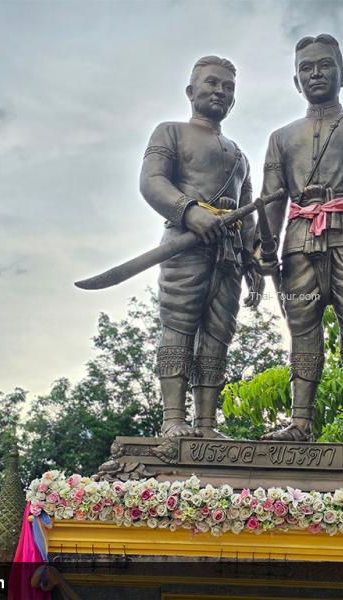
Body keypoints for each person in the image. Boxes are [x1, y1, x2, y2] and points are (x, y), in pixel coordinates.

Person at [255, 34, 343, 442]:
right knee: (301, 325)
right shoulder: (280, 138)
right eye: (306, 68)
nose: (315, 73)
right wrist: (260, 246)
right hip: (298, 243)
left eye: (324, 65)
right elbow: (271, 198)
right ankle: (300, 421)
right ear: (296, 80)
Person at [140, 56, 263, 438]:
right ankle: (173, 419)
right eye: (212, 83)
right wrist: (188, 211)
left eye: (227, 87)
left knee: (218, 332)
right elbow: (152, 181)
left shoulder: (239, 153)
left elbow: (248, 210)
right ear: (191, 91)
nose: (219, 91)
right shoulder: (170, 133)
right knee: (179, 324)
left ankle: (207, 423)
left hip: (229, 255)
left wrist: (253, 258)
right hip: (185, 246)